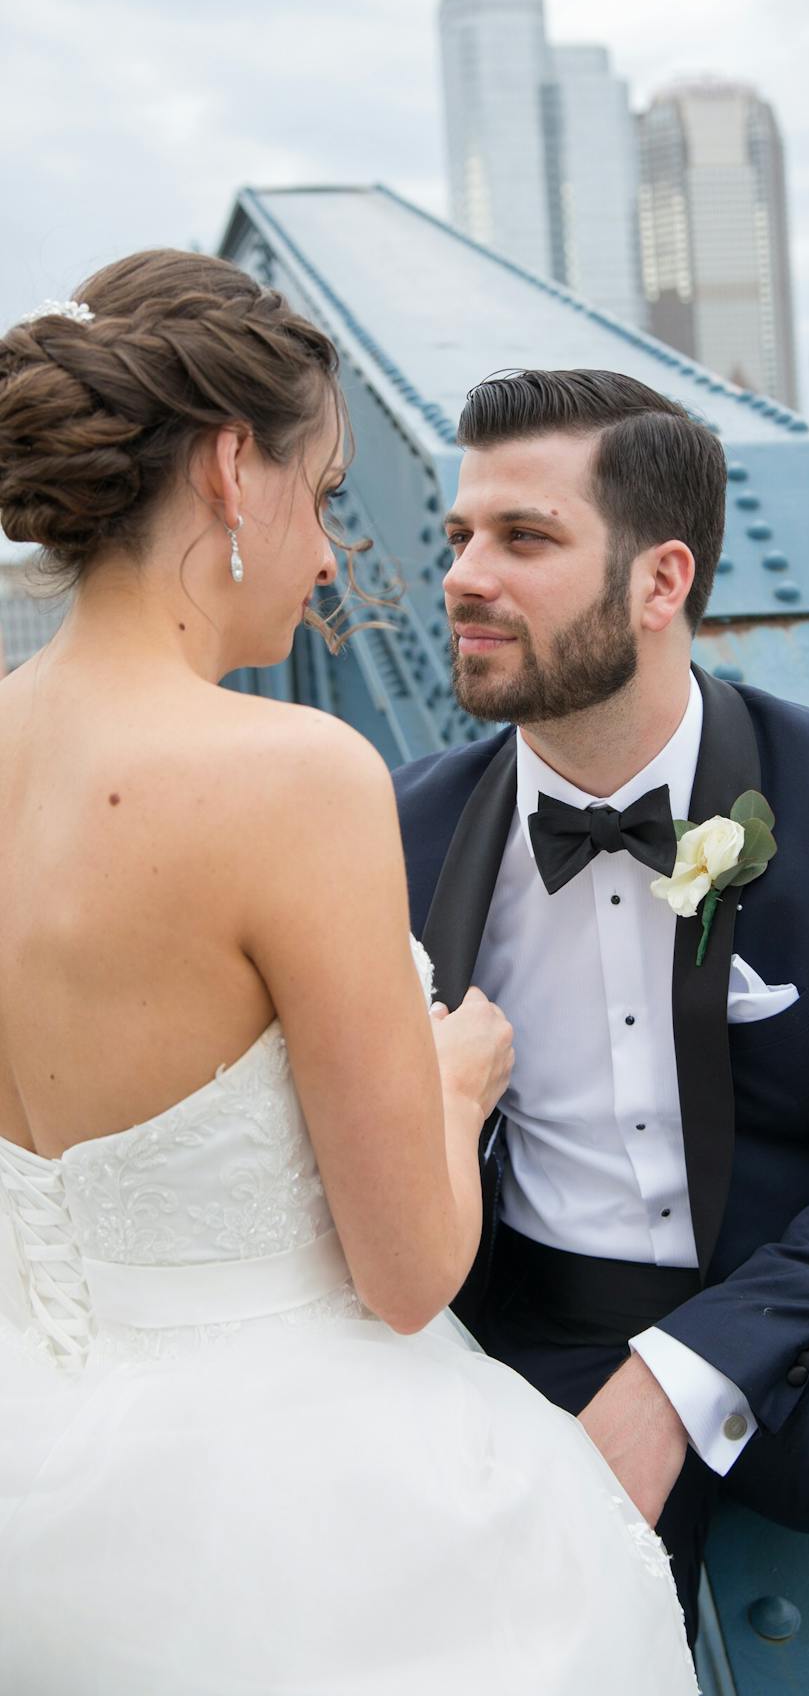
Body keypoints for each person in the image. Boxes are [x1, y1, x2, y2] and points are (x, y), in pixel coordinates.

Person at [0, 257, 699, 1695]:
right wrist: (453, 1086)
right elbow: (406, 1273)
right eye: (323, 494)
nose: (331, 556)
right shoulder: (296, 775)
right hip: (277, 1525)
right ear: (228, 465)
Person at [392, 368, 809, 1696]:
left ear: (661, 581)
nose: (465, 575)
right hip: (530, 1326)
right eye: (458, 536)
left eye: (524, 539)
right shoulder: (397, 829)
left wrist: (671, 1381)